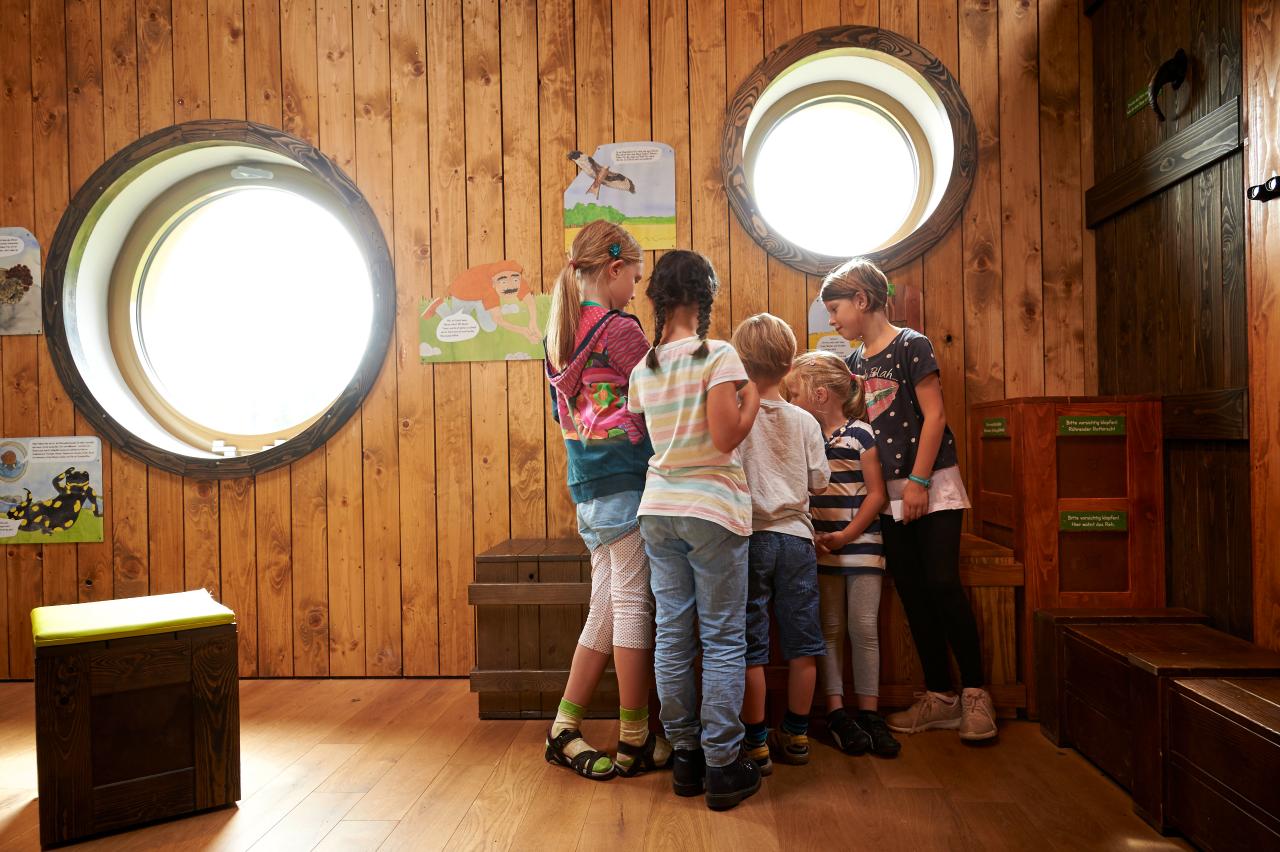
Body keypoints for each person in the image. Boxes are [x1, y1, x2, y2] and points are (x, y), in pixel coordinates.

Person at [821, 257, 997, 741]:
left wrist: (919, 483)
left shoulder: (910, 344)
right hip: (887, 495)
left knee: (942, 582)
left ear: (862, 300)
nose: (832, 321)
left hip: (931, 483)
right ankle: (940, 697)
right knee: (913, 590)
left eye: (835, 310)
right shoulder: (855, 364)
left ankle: (977, 694)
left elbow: (935, 415)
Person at [628, 250, 763, 810]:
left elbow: (646, 432)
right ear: (704, 296)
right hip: (712, 510)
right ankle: (724, 764)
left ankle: (685, 757)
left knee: (672, 636)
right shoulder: (721, 355)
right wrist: (751, 399)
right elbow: (726, 436)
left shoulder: (646, 367)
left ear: (658, 297)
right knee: (723, 637)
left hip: (658, 509)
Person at [543, 220, 672, 780]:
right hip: (625, 482)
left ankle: (563, 729)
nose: (637, 289)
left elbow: (559, 414)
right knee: (633, 608)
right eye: (635, 277)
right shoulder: (620, 329)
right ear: (613, 269)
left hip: (587, 487)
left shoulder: (559, 334)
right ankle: (635, 735)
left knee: (605, 607)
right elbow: (662, 398)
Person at [786, 351, 900, 757]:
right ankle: (836, 712)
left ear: (820, 395)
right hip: (822, 549)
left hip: (863, 548)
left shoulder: (860, 434)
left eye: (796, 393)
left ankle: (869, 712)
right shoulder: (806, 436)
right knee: (829, 630)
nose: (791, 401)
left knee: (863, 629)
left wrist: (848, 534)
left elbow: (876, 493)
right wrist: (819, 536)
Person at [730, 314, 830, 774]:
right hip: (795, 540)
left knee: (751, 644)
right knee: (802, 643)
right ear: (790, 364)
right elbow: (820, 481)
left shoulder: (735, 415)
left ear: (740, 362)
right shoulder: (805, 420)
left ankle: (755, 743)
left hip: (747, 538)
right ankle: (797, 733)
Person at [421, 259, 541, 343]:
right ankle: (440, 306)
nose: (510, 287)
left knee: (490, 327)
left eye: (515, 282)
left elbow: (529, 300)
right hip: (464, 292)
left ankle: (478, 308)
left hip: (481, 294)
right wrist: (523, 331)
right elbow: (498, 319)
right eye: (504, 283)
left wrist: (533, 322)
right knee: (458, 325)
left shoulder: (515, 278)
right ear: (494, 283)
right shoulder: (490, 291)